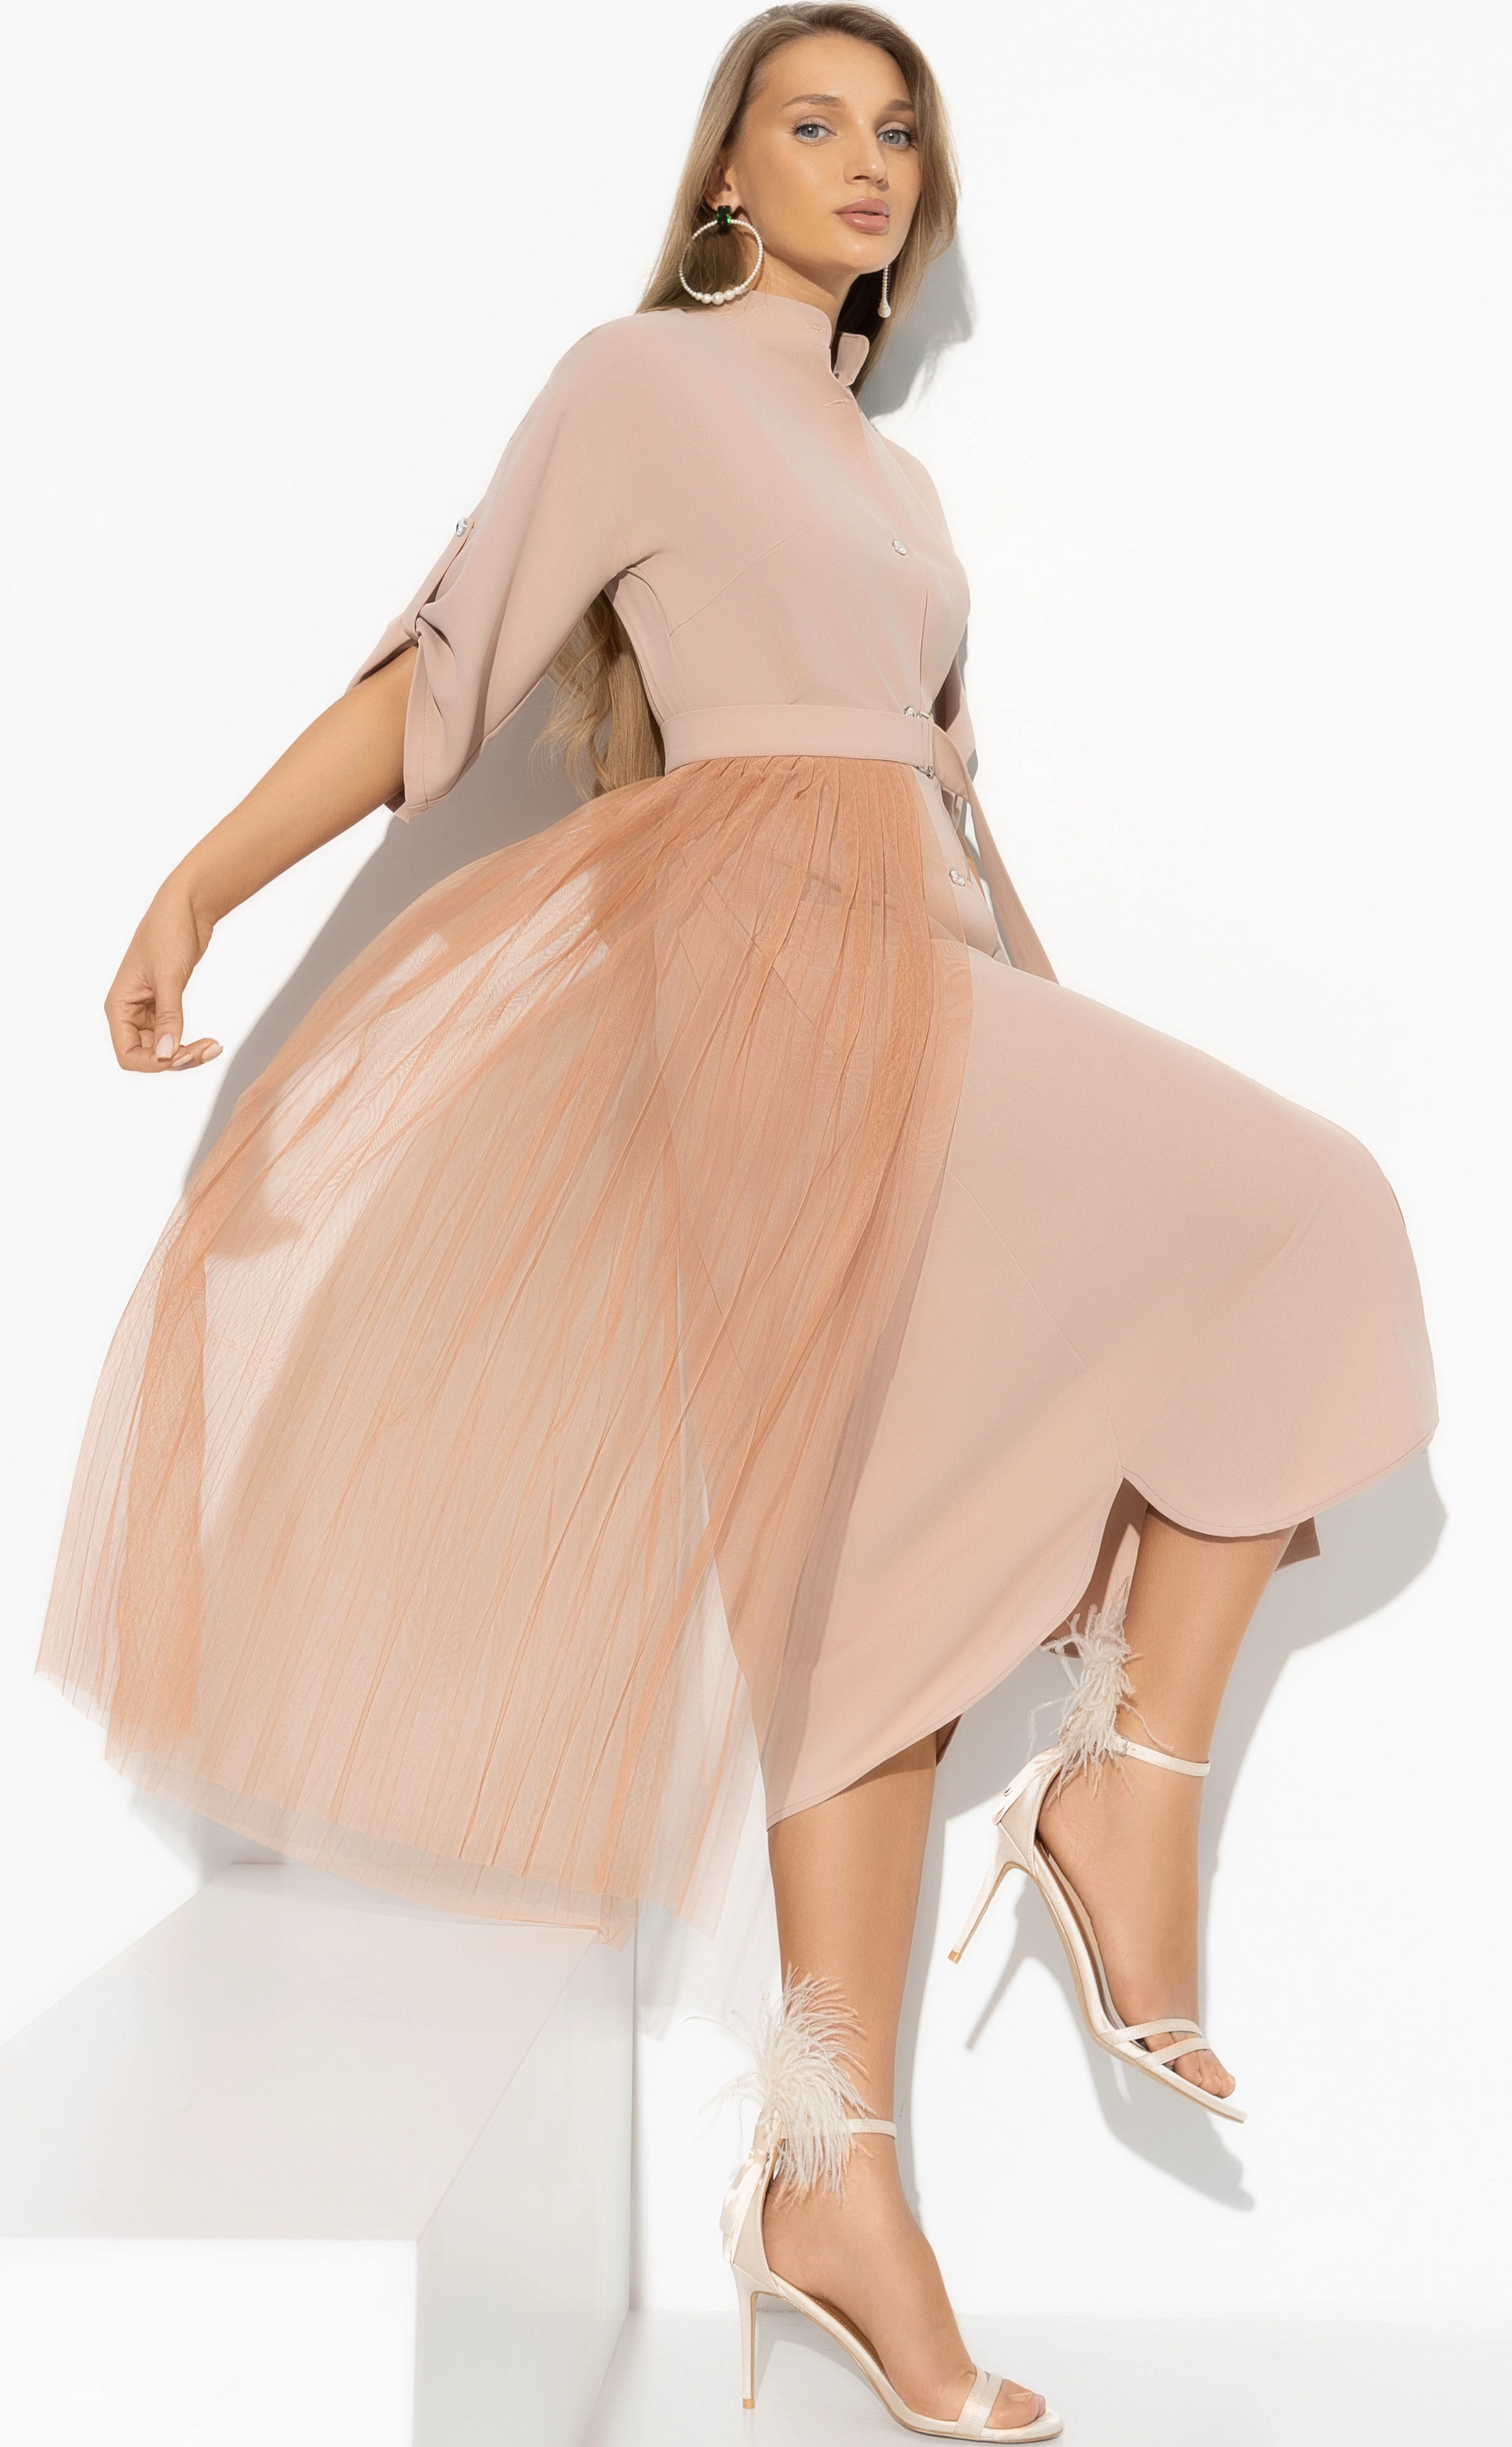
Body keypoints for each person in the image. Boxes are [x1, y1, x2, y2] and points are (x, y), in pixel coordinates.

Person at [37, 8, 1437, 2438]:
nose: (865, 161)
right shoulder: (642, 384)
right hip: (758, 977)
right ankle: (1067, 1870)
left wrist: (1035, 1024)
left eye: (899, 132)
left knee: (1001, 1456)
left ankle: (843, 2171)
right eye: (813, 122)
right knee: (996, 1445)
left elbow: (949, 795)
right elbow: (445, 667)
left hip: (932, 964)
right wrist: (199, 880)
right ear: (725, 176)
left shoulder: (891, 478)